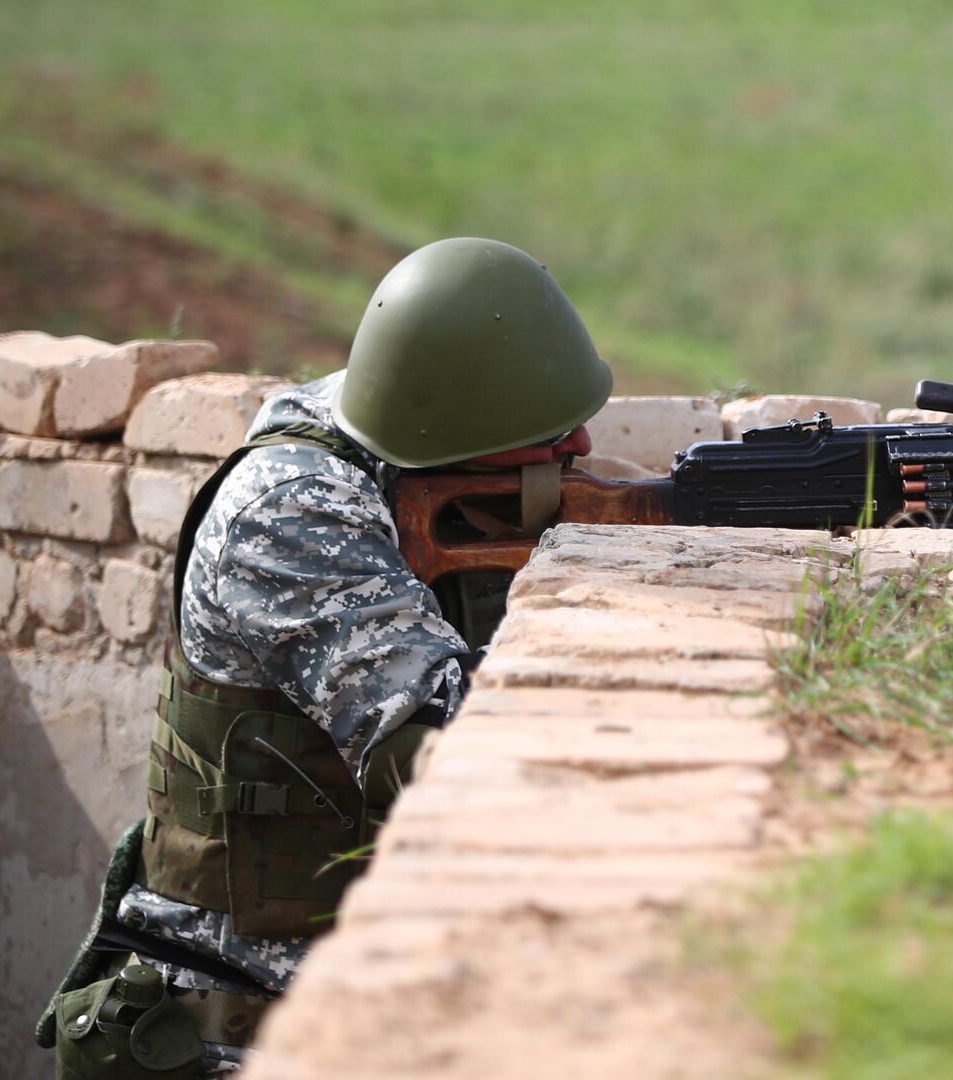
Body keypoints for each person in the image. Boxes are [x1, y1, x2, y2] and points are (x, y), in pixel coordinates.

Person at [37, 237, 613, 1077]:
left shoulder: (404, 440)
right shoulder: (290, 512)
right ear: (451, 433)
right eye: (551, 438)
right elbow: (450, 759)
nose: (585, 447)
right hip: (227, 1029)